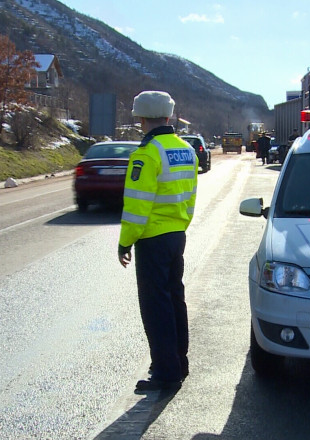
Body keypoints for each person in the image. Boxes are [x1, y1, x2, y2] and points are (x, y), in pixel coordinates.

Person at [117, 90, 198, 392]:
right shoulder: (185, 150)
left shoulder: (146, 154)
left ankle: (165, 372)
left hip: (152, 240)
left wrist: (125, 241)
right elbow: (190, 197)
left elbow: (137, 206)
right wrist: (180, 225)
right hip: (177, 235)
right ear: (168, 116)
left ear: (141, 119)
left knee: (156, 306)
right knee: (175, 299)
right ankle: (179, 362)